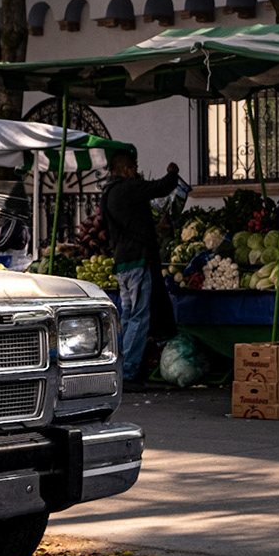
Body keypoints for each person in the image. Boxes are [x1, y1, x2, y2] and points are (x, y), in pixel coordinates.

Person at [102, 148, 180, 387]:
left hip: (123, 264)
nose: (136, 172)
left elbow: (130, 226)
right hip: (136, 262)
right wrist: (173, 172)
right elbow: (161, 187)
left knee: (127, 316)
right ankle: (128, 372)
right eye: (134, 168)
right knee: (138, 317)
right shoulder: (128, 187)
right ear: (126, 169)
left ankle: (121, 366)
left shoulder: (108, 193)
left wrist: (156, 229)